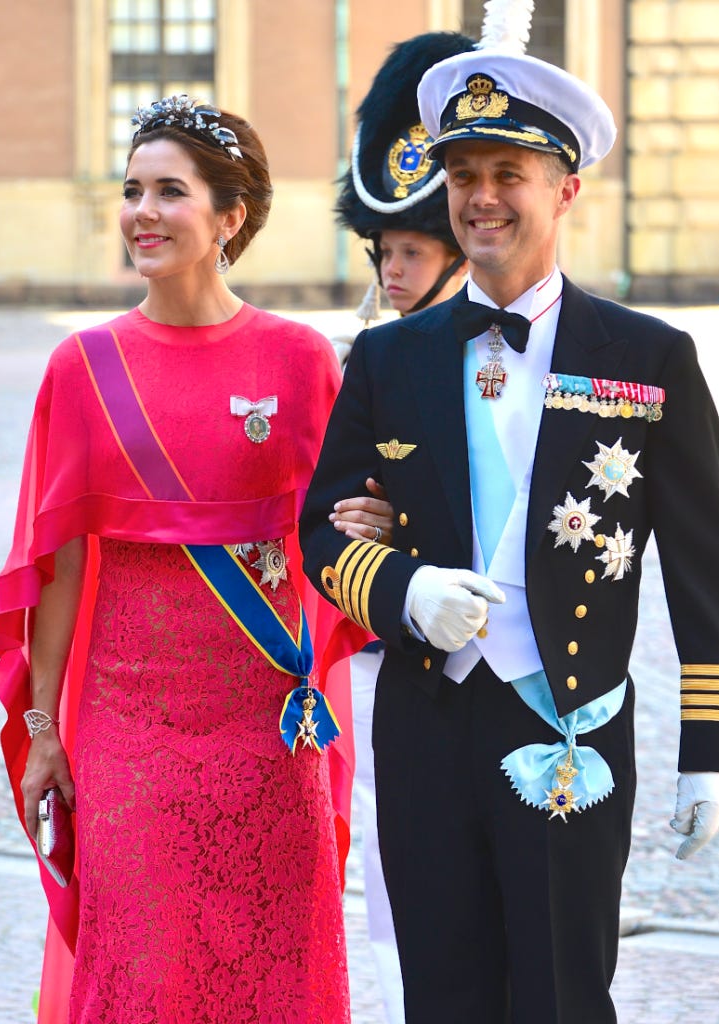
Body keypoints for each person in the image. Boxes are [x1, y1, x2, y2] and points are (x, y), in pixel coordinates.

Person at [299, 43, 719, 1024]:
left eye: (509, 174)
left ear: (566, 189)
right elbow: (322, 534)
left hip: (567, 721)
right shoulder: (388, 357)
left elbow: (707, 570)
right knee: (442, 997)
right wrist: (405, 589)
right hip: (425, 721)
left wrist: (714, 746)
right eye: (464, 175)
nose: (482, 198)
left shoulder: (648, 356)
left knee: (561, 995)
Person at [0, 95, 388, 1023]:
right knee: (144, 978)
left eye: (170, 191)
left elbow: (336, 540)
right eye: (133, 190)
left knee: (275, 980)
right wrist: (44, 729)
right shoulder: (83, 366)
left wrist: (373, 526)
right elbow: (58, 571)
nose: (143, 212)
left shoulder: (299, 361)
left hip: (272, 732)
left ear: (229, 217)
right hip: (132, 736)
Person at [327, 30, 473, 1024]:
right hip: (392, 648)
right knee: (399, 874)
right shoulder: (370, 359)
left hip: (510, 654)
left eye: (411, 250)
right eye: (383, 251)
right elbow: (333, 511)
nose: (392, 269)